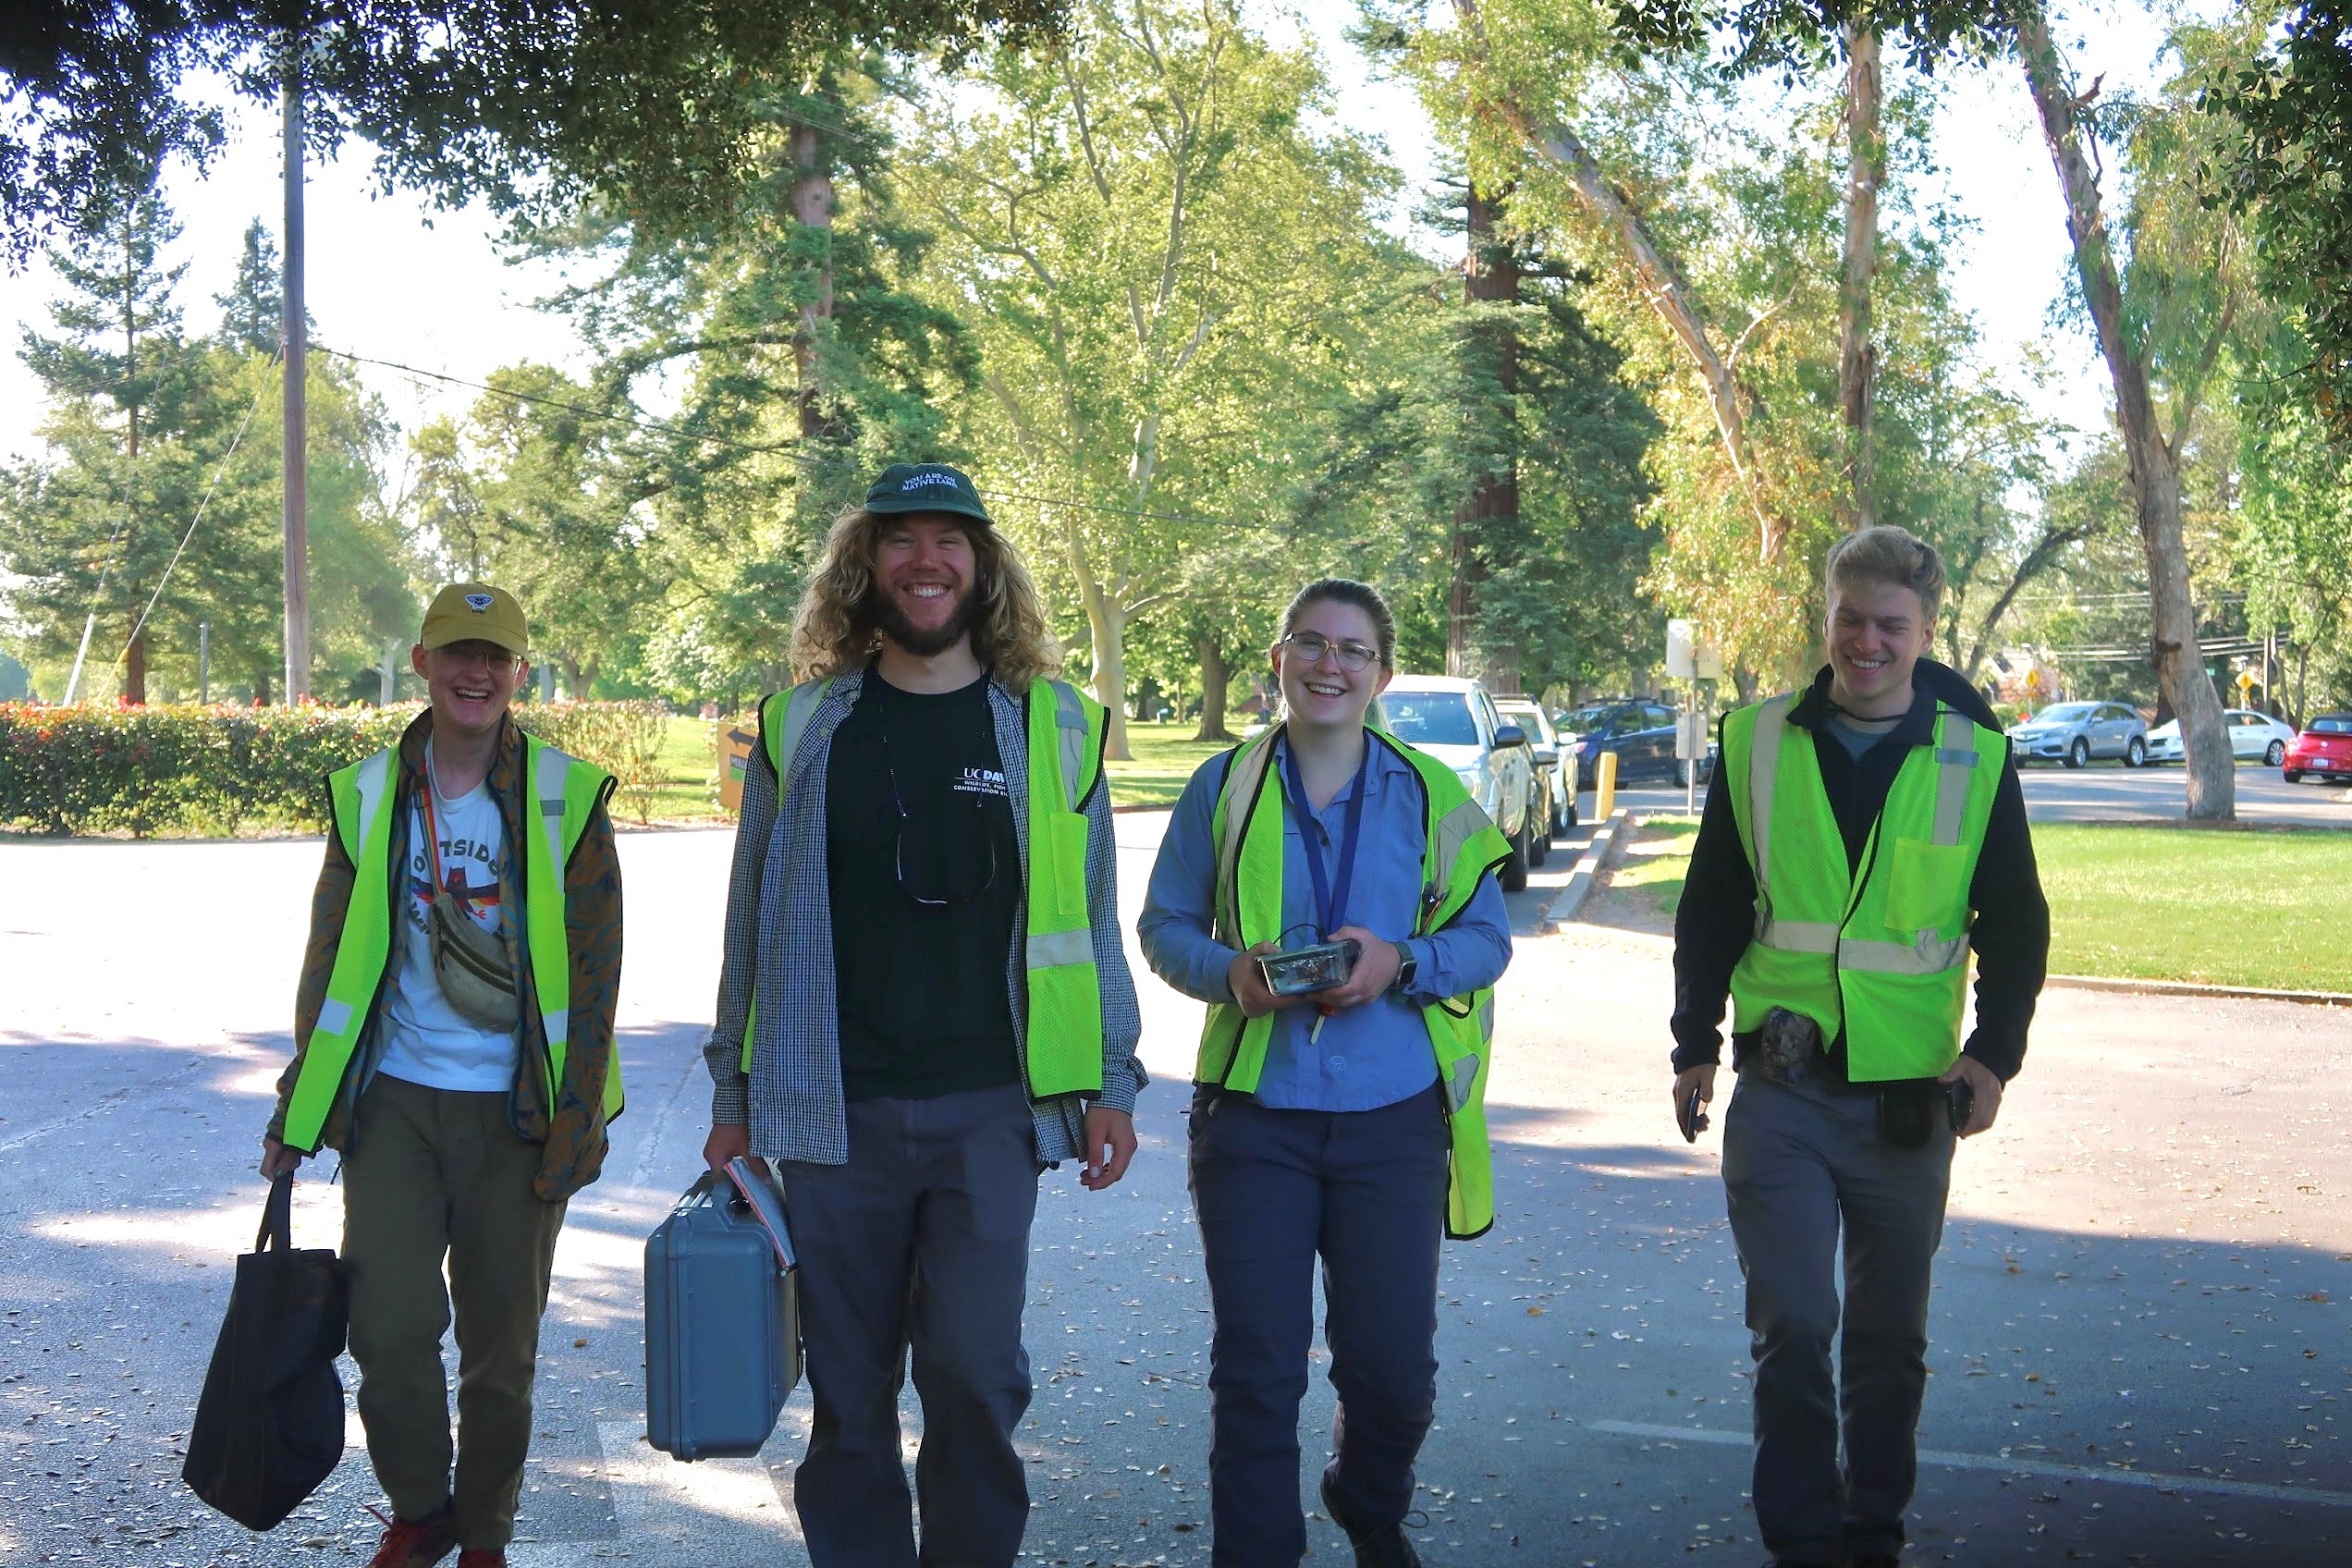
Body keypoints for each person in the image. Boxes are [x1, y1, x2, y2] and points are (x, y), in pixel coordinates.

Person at [703, 461, 1145, 1568]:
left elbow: (1092, 922)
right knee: (849, 1395)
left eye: (951, 539)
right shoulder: (803, 726)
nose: (927, 560)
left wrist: (1114, 1081)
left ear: (983, 567)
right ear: (868, 565)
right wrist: (732, 1097)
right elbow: (748, 929)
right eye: (903, 539)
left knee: (975, 1378)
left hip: (993, 1111)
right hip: (831, 1112)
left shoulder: (1052, 728)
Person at [1671, 526, 2050, 1568]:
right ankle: (1799, 1539)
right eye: (1850, 619)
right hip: (1781, 1088)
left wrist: (1994, 1054)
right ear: (1826, 617)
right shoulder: (1754, 741)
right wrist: (1692, 1042)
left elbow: (2016, 920)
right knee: (1793, 1324)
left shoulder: (1976, 753)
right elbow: (1709, 907)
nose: (1866, 642)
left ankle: (1870, 1530)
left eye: (1891, 624)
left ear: (1927, 633)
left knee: (1889, 1343)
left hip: (1909, 1099)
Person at [1138, 579, 1514, 1568]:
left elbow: (1486, 938)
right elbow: (1163, 925)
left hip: (1392, 1120)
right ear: (1279, 659)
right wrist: (1231, 974)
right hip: (1253, 1119)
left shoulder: (1432, 794)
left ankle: (1367, 1497)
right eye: (1310, 642)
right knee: (1257, 1372)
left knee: (1392, 1374)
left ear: (1381, 674)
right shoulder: (1222, 786)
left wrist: (1405, 963)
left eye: (1352, 649)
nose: (1329, 664)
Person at [261, 582, 625, 1568]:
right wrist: (303, 1105)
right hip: (396, 1107)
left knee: (500, 1359)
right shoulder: (370, 792)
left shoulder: (565, 793)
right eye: (458, 652)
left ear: (520, 672)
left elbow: (595, 976)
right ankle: (423, 1509)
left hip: (520, 1111)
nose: (477, 671)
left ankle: (487, 1536)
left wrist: (576, 1117)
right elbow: (331, 959)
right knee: (387, 1333)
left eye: (496, 656)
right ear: (421, 661)